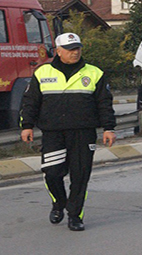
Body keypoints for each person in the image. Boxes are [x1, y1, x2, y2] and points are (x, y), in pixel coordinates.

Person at [20, 32, 117, 231]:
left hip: (83, 133)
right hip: (53, 133)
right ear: (58, 51)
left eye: (78, 48)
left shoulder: (94, 73)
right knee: (52, 174)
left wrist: (109, 128)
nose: (75, 52)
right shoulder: (42, 72)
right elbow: (30, 102)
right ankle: (59, 203)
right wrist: (26, 125)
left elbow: (104, 103)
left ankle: (75, 216)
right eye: (71, 49)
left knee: (80, 176)